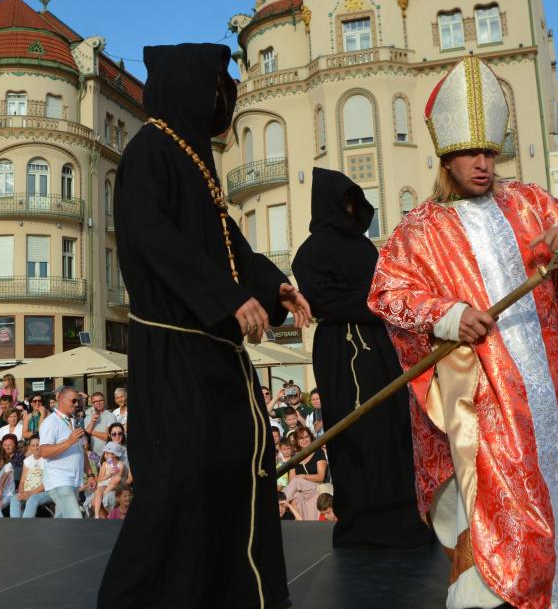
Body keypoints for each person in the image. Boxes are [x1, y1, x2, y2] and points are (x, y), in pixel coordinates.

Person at [369, 55, 558, 609]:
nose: (483, 164)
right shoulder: (421, 227)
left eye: (489, 152)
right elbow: (386, 292)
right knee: (492, 509)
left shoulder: (525, 201)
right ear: (446, 157)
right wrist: (448, 313)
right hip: (482, 398)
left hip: (540, 391)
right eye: (471, 153)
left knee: (549, 503)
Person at [98, 43, 312, 609]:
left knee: (236, 474)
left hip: (214, 357)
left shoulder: (196, 159)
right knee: (177, 487)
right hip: (174, 352)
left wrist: (272, 286)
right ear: (192, 86)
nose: (226, 95)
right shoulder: (150, 150)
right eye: (219, 84)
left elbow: (228, 245)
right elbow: (150, 236)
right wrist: (224, 298)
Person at [291, 167, 433, 549]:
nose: (352, 208)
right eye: (345, 200)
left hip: (381, 345)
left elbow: (382, 291)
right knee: (354, 431)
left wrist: (381, 304)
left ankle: (401, 518)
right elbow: (322, 300)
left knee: (393, 427)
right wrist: (373, 304)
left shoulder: (365, 248)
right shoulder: (310, 253)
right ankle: (360, 522)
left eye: (354, 200)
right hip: (341, 349)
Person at [37, 386, 93, 519]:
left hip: (73, 481)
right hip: (59, 480)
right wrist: (69, 441)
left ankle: (50, 540)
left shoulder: (73, 421)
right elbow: (44, 451)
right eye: (73, 400)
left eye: (78, 401)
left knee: (62, 522)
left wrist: (90, 474)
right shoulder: (51, 422)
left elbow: (81, 450)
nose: (76, 404)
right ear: (61, 399)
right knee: (75, 519)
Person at [92, 441, 131, 518]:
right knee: (98, 491)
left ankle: (105, 494)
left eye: (107, 454)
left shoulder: (121, 464)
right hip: (104, 484)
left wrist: (114, 472)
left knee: (117, 478)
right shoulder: (104, 464)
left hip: (113, 485)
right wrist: (108, 475)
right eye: (105, 453)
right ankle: (96, 515)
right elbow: (99, 479)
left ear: (114, 455)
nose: (105, 456)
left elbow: (117, 478)